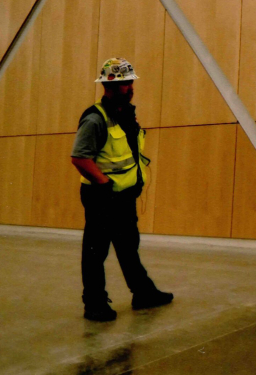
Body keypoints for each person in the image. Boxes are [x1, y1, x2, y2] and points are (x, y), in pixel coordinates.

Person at [71, 57, 173, 322]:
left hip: (124, 196)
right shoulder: (95, 119)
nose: (130, 88)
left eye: (130, 83)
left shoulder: (125, 114)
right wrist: (103, 185)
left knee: (128, 247)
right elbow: (80, 158)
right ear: (110, 86)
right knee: (96, 252)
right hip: (102, 196)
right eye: (126, 84)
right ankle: (94, 304)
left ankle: (143, 293)